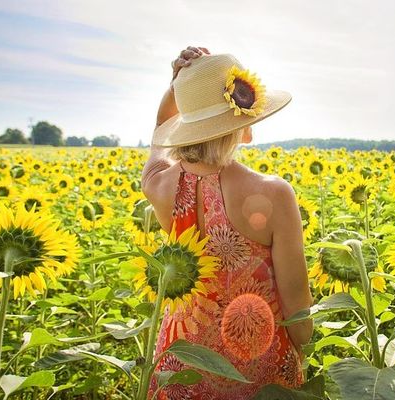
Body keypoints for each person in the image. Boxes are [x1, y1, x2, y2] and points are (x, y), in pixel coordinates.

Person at [141, 46, 313, 399]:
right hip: (258, 367)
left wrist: (177, 88)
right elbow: (297, 303)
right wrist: (303, 357)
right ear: (243, 125)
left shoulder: (159, 185)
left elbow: (159, 136)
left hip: (181, 366)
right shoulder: (274, 193)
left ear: (185, 125)